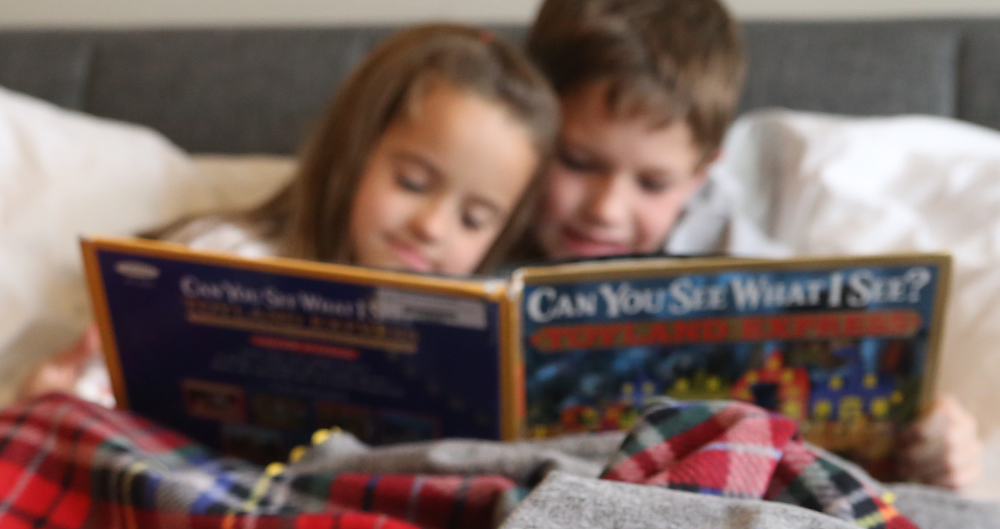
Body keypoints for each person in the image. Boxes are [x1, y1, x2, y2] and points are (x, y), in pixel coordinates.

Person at [519, 0, 981, 490]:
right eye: (576, 161)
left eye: (653, 183)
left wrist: (937, 448)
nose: (606, 209)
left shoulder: (746, 271)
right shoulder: (471, 210)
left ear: (703, 173)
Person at [20, 24, 558, 399]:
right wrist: (53, 403)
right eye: (413, 182)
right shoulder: (225, 261)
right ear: (350, 150)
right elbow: (96, 393)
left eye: (474, 219)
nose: (433, 226)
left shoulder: (463, 333)